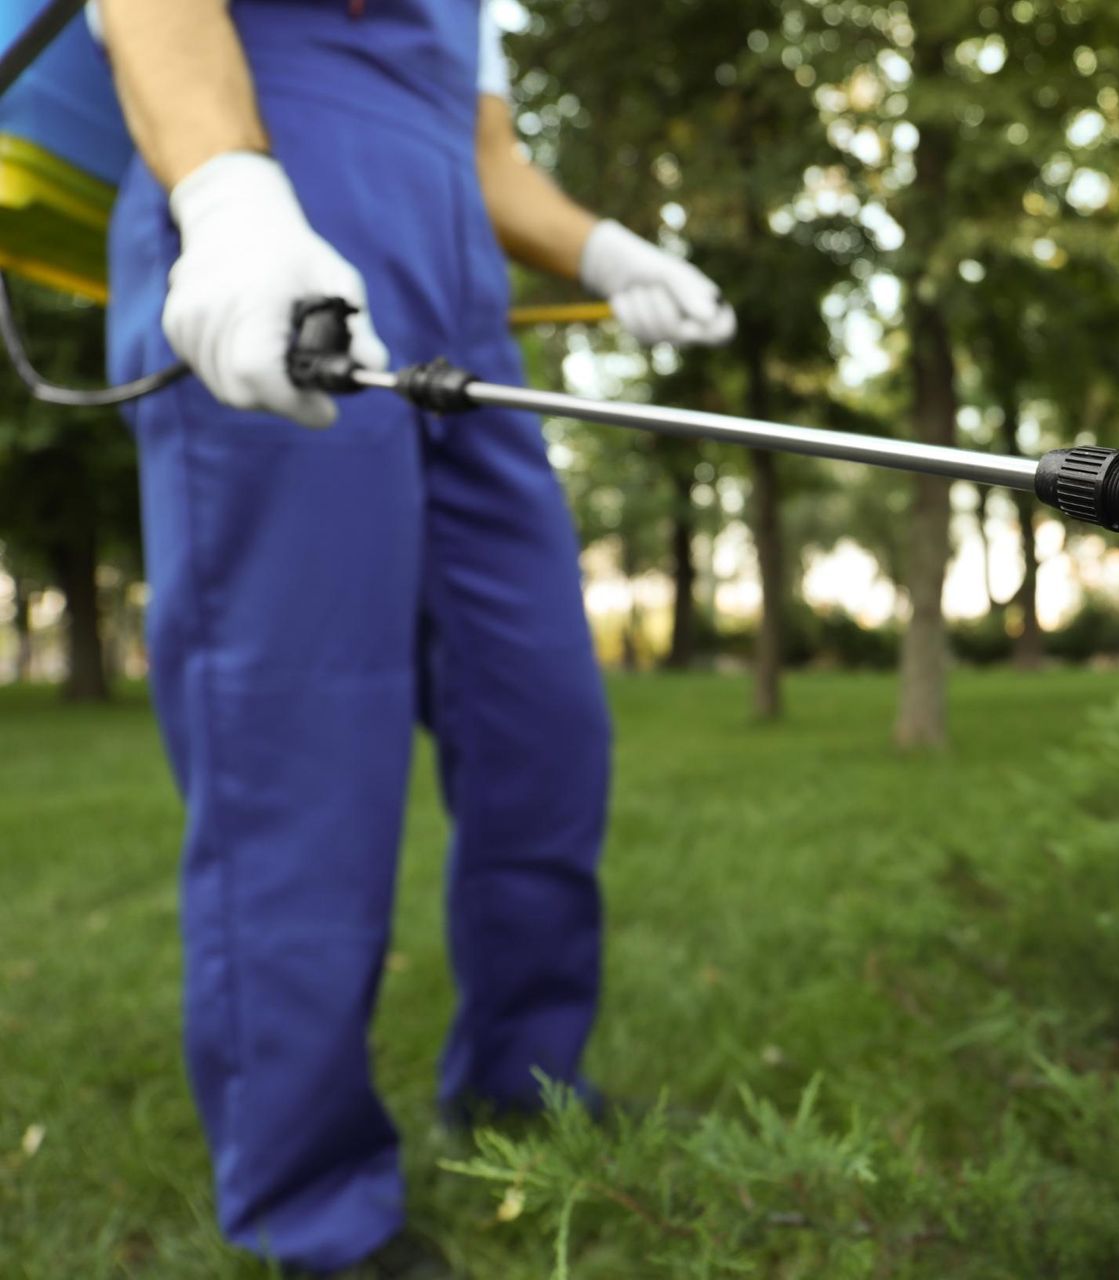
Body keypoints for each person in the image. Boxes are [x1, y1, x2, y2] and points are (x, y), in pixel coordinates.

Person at [94, 1, 734, 1271]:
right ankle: (313, 1202)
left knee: (542, 723)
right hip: (278, 227)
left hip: (460, 297)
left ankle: (520, 1080)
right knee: (302, 746)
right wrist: (228, 197)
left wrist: (606, 250)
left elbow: (485, 154)